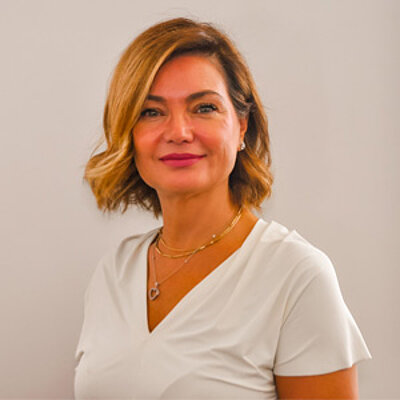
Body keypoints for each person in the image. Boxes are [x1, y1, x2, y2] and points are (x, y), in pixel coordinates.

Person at [74, 17, 371, 399]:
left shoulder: (296, 276)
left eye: (204, 107)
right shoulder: (114, 271)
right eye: (151, 111)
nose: (179, 132)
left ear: (242, 125)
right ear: (128, 133)